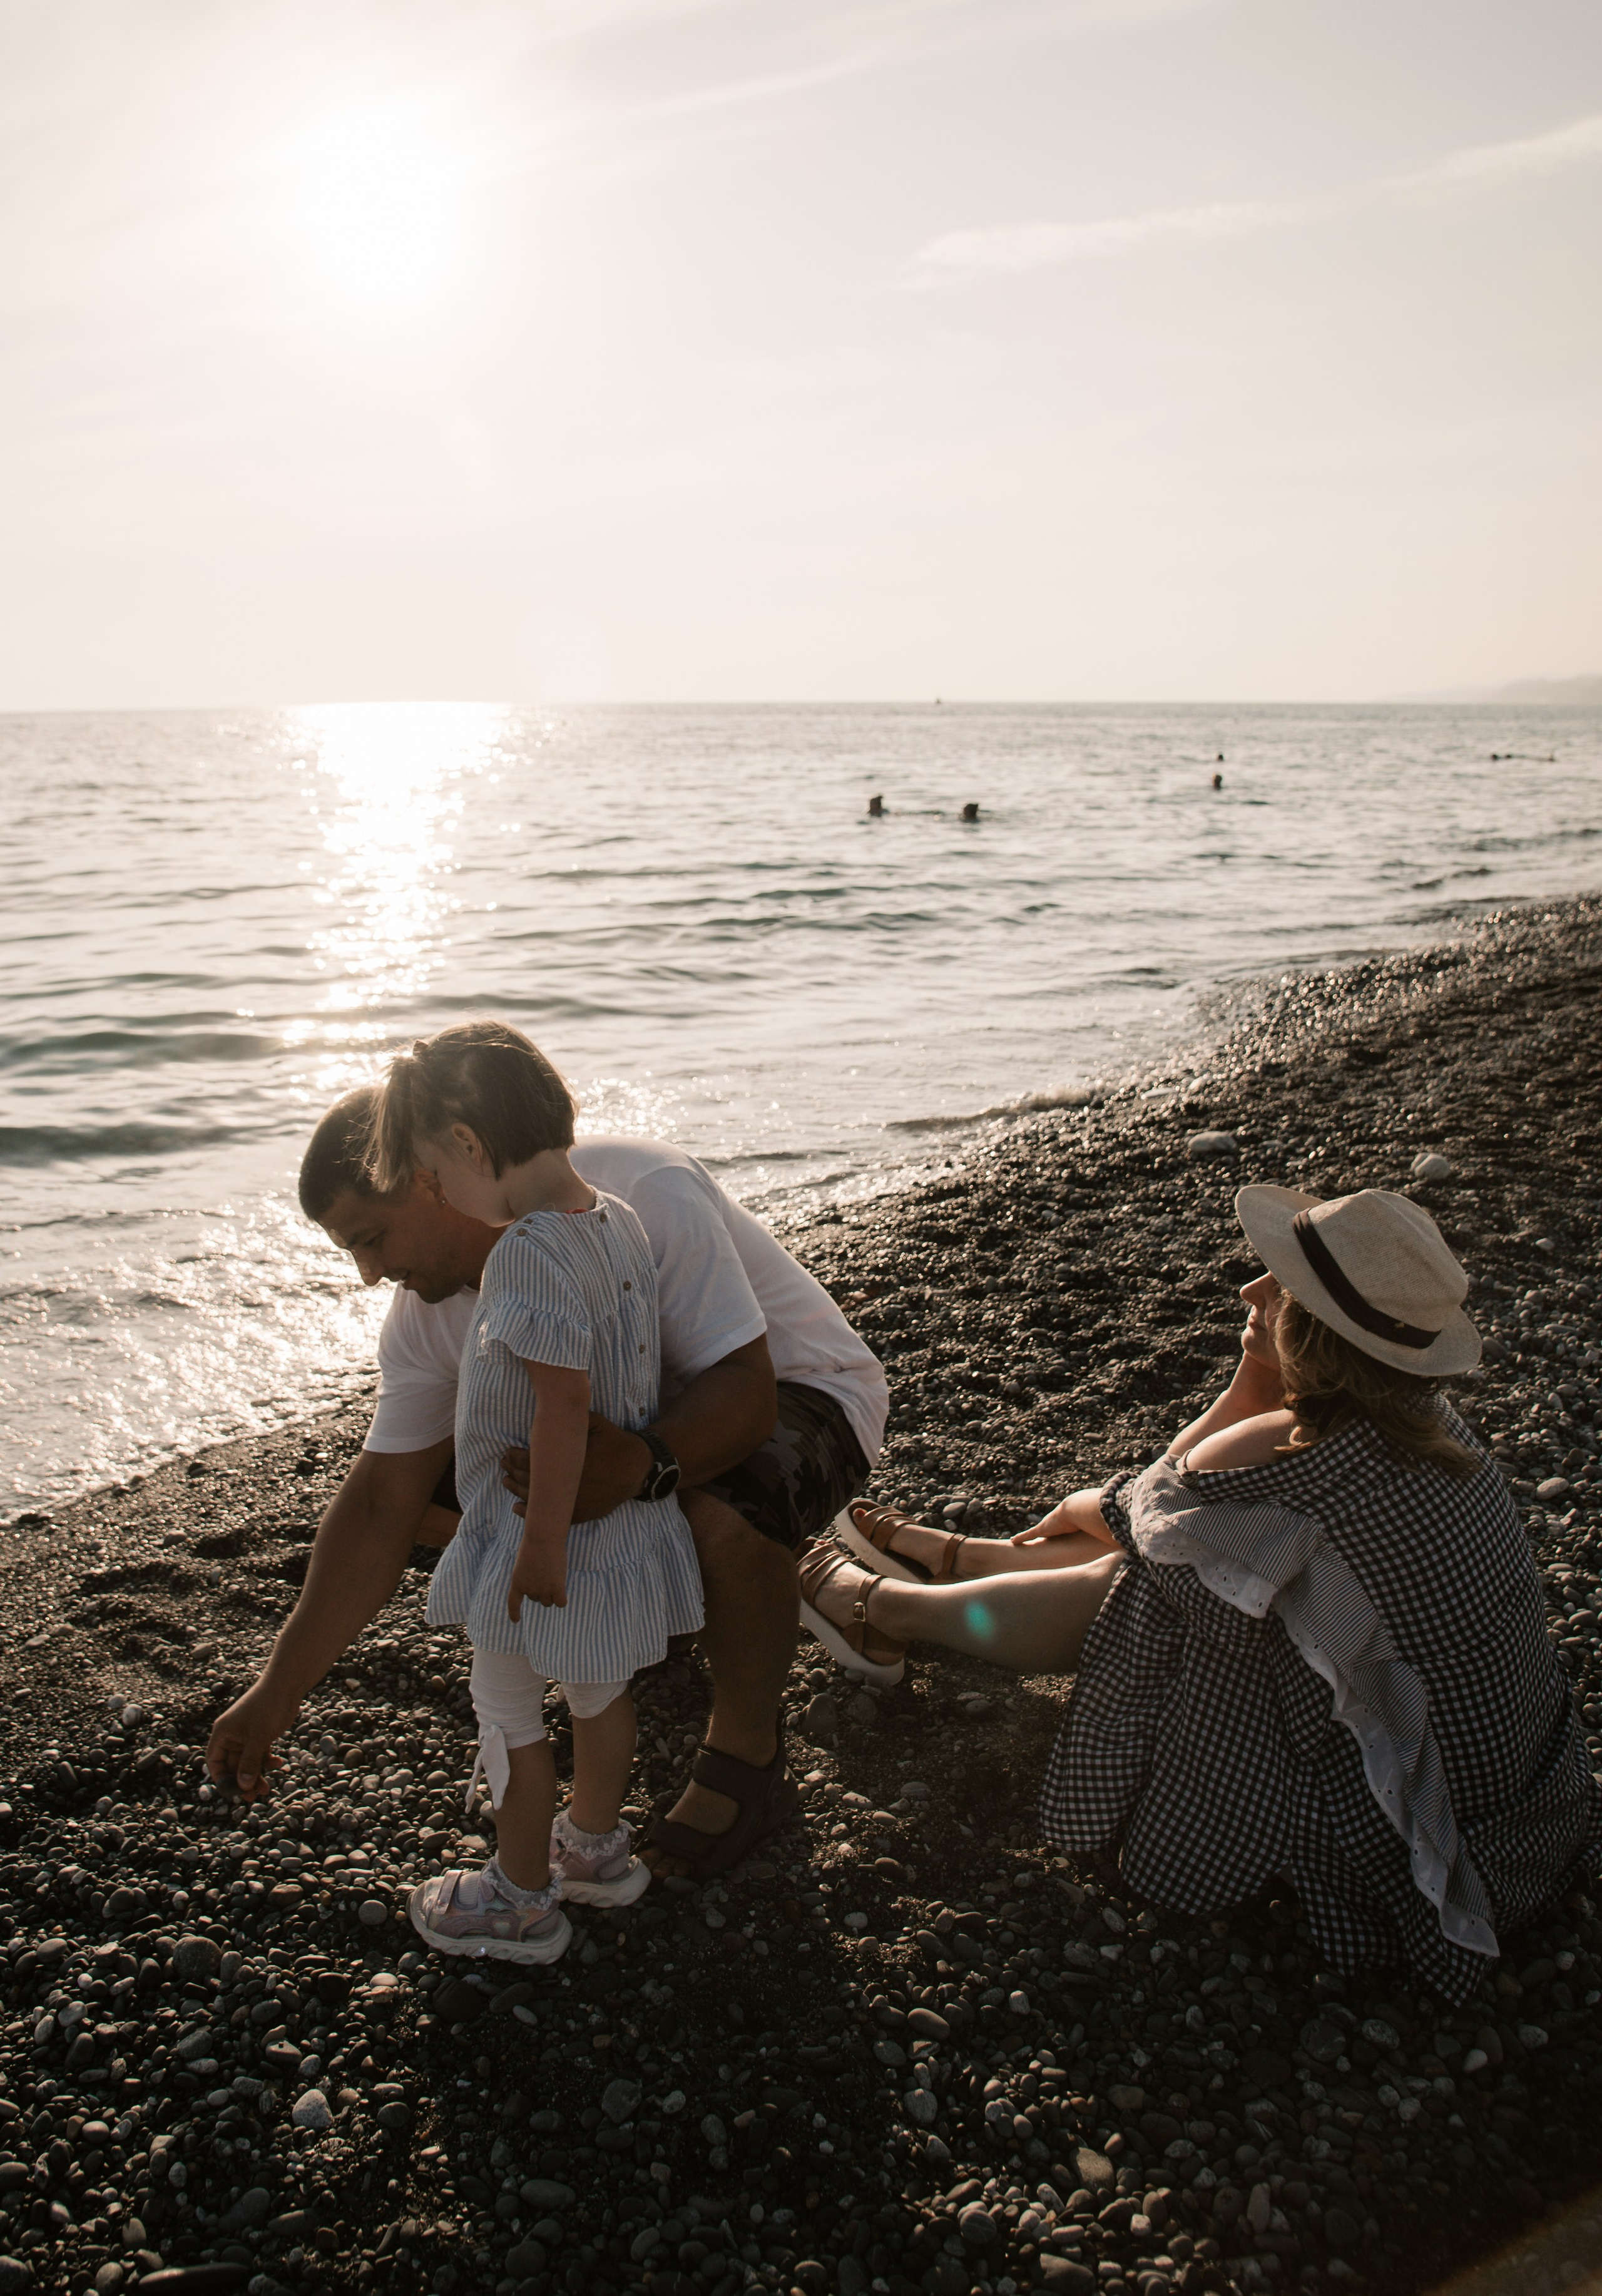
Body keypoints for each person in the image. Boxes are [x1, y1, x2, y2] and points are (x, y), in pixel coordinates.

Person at [800, 1187, 1602, 2000]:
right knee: (1202, 1559)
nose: (1251, 1291)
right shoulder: (1427, 1426)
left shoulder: (1282, 1453)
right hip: (1518, 1797)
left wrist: (1248, 1385)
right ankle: (958, 1564)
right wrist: (1257, 1375)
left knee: (1145, 1589)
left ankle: (888, 1610)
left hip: (1410, 1837)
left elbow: (1146, 1508)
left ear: (1318, 1331)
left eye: (1278, 1286)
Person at [204, 1087, 887, 1882]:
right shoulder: (423, 1312)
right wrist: (278, 1690)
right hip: (609, 1434)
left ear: (430, 1177)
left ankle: (744, 1747)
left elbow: (746, 1392)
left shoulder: (639, 1191)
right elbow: (380, 1503)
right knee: (435, 1497)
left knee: (711, 1517)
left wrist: (640, 1466)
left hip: (802, 1395)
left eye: (372, 1238)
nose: (369, 1273)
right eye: (349, 1252)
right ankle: (671, 1614)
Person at [364, 1022, 705, 1961]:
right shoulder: (619, 1220)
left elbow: (562, 1401)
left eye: (435, 1177)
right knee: (599, 1691)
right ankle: (595, 1852)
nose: (442, 1197)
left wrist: (541, 1543)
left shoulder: (524, 1252)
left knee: (507, 1707)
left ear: (469, 1146)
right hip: (618, 1530)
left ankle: (518, 1897)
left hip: (533, 1533)